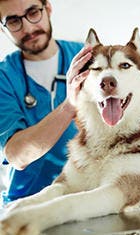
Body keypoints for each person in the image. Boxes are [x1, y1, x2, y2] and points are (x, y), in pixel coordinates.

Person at [0, 0, 92, 204]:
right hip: (28, 202)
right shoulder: (3, 78)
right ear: (2, 27)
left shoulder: (87, 58)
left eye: (33, 12)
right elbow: (18, 156)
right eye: (13, 21)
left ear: (48, 8)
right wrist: (70, 105)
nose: (28, 28)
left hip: (87, 195)